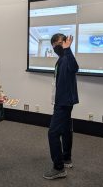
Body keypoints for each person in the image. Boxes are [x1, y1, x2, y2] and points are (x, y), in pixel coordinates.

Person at [43, 33, 79, 180]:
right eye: (56, 44)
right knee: (65, 130)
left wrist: (68, 49)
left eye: (62, 43)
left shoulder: (66, 57)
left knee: (52, 133)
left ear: (66, 43)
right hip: (62, 100)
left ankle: (59, 168)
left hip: (64, 102)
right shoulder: (60, 59)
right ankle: (66, 159)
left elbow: (75, 67)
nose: (59, 46)